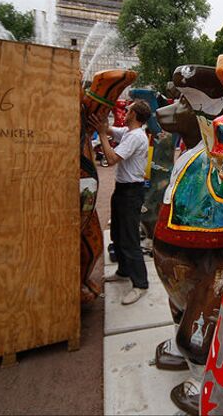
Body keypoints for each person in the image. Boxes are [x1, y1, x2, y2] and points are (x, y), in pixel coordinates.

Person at [88, 100, 152, 305]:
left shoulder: (135, 137)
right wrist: (100, 123)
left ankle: (140, 284)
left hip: (131, 192)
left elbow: (112, 157)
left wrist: (102, 135)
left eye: (128, 110)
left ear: (135, 115)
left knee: (130, 238)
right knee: (117, 232)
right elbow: (109, 130)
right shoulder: (128, 132)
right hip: (123, 189)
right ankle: (124, 271)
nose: (125, 112)